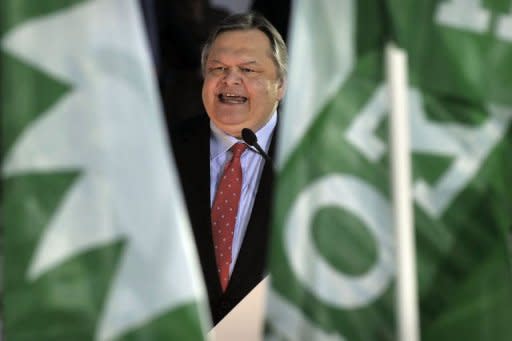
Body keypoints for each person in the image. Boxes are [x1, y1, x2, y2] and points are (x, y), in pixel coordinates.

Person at [170, 12, 287, 325]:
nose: (230, 80)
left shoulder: (309, 157)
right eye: (218, 69)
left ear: (280, 85)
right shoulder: (163, 151)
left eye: (248, 69)